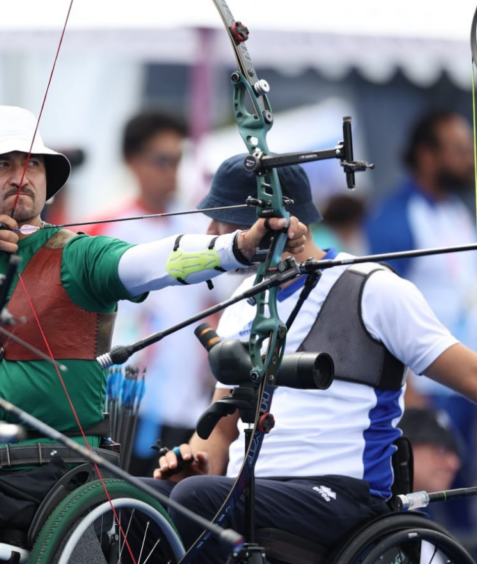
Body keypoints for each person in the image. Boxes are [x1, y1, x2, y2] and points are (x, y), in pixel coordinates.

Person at [0, 105, 308, 563]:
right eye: (2, 164)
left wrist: (238, 247)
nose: (21, 176)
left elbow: (155, 260)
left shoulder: (78, 257)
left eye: (32, 164)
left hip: (57, 470)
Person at [148, 154, 477, 563]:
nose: (212, 233)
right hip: (250, 491)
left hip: (342, 499)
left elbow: (472, 376)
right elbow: (220, 430)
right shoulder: (241, 301)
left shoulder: (374, 289)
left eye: (226, 218)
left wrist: (197, 486)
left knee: (198, 497)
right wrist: (194, 461)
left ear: (278, 224)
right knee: (142, 500)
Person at [86, 110, 220, 476]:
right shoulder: (105, 226)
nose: (171, 171)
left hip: (185, 404)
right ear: (132, 161)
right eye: (161, 160)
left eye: (177, 160)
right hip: (122, 400)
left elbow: (219, 307)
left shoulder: (197, 227)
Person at [365, 110, 477, 530]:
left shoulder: (456, 210)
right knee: (433, 511)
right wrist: (410, 392)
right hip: (432, 388)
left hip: (467, 382)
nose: (469, 159)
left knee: (466, 506)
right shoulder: (396, 216)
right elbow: (381, 307)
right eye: (459, 150)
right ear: (428, 155)